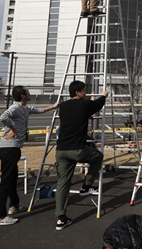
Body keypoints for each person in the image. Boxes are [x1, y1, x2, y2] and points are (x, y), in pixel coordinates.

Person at [0, 86, 57, 226]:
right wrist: (14, 129)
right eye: (27, 92)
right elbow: (3, 117)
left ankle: (14, 205)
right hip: (8, 148)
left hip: (13, 148)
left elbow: (38, 110)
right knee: (6, 181)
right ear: (22, 96)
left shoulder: (25, 108)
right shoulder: (15, 108)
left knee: (12, 178)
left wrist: (54, 106)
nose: (29, 93)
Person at [54, 80, 107, 230]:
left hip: (61, 150)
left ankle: (61, 218)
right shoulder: (85, 105)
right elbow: (97, 105)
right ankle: (86, 185)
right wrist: (104, 95)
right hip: (77, 149)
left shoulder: (63, 106)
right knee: (98, 156)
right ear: (77, 92)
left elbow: (80, 113)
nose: (85, 93)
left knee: (63, 183)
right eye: (83, 91)